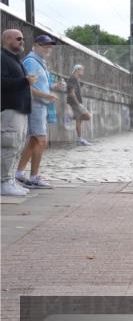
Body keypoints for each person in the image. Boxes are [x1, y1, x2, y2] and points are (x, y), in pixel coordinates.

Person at [15, 35, 65, 190]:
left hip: (39, 106)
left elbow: (40, 84)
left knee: (34, 141)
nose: (48, 48)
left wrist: (54, 86)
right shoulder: (31, 62)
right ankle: (34, 177)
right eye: (45, 46)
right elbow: (27, 86)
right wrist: (47, 96)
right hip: (35, 106)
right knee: (41, 141)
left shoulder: (38, 62)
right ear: (35, 45)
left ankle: (19, 173)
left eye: (50, 46)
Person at [1, 29, 35, 197]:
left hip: (20, 110)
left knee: (17, 145)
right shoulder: (2, 58)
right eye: (18, 38)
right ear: (7, 40)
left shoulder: (14, 59)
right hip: (9, 110)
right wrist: (24, 81)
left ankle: (10, 180)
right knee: (9, 144)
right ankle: (3, 182)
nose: (22, 41)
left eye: (22, 38)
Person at [65, 64, 92, 145]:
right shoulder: (72, 78)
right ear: (77, 70)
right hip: (75, 103)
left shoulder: (76, 79)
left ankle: (79, 139)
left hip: (75, 103)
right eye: (82, 70)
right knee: (88, 116)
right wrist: (78, 104)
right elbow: (71, 93)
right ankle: (69, 117)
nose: (83, 72)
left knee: (79, 120)